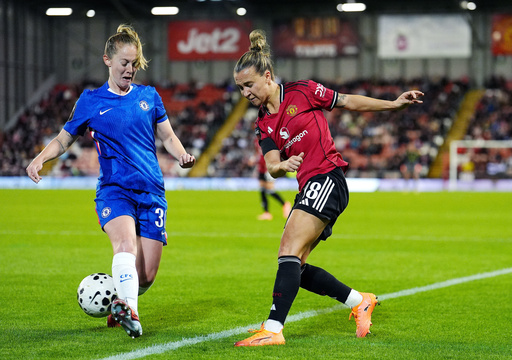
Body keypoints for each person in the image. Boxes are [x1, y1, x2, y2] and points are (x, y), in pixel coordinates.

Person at [233, 29, 423, 346]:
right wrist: (282, 165)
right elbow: (272, 165)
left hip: (327, 178)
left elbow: (347, 101)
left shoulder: (303, 92)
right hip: (309, 186)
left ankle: (273, 329)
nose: (245, 93)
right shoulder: (263, 122)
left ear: (267, 76)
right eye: (240, 87)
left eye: (249, 84)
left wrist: (393, 105)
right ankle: (359, 301)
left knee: (287, 251)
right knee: (296, 266)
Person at [26, 24, 196, 339]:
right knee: (125, 244)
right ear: (107, 60)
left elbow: (168, 136)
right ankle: (130, 313)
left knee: (147, 275)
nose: (129, 70)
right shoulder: (90, 101)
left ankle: (120, 297)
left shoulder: (149, 96)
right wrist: (40, 158)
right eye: (124, 63)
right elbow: (64, 140)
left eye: (134, 64)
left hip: (151, 192)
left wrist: (182, 155)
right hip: (114, 190)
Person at [255, 136, 292, 220]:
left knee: (269, 189)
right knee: (262, 189)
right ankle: (266, 212)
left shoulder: (268, 139)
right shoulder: (256, 140)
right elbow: (257, 152)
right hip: (260, 166)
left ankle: (284, 204)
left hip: (267, 167)